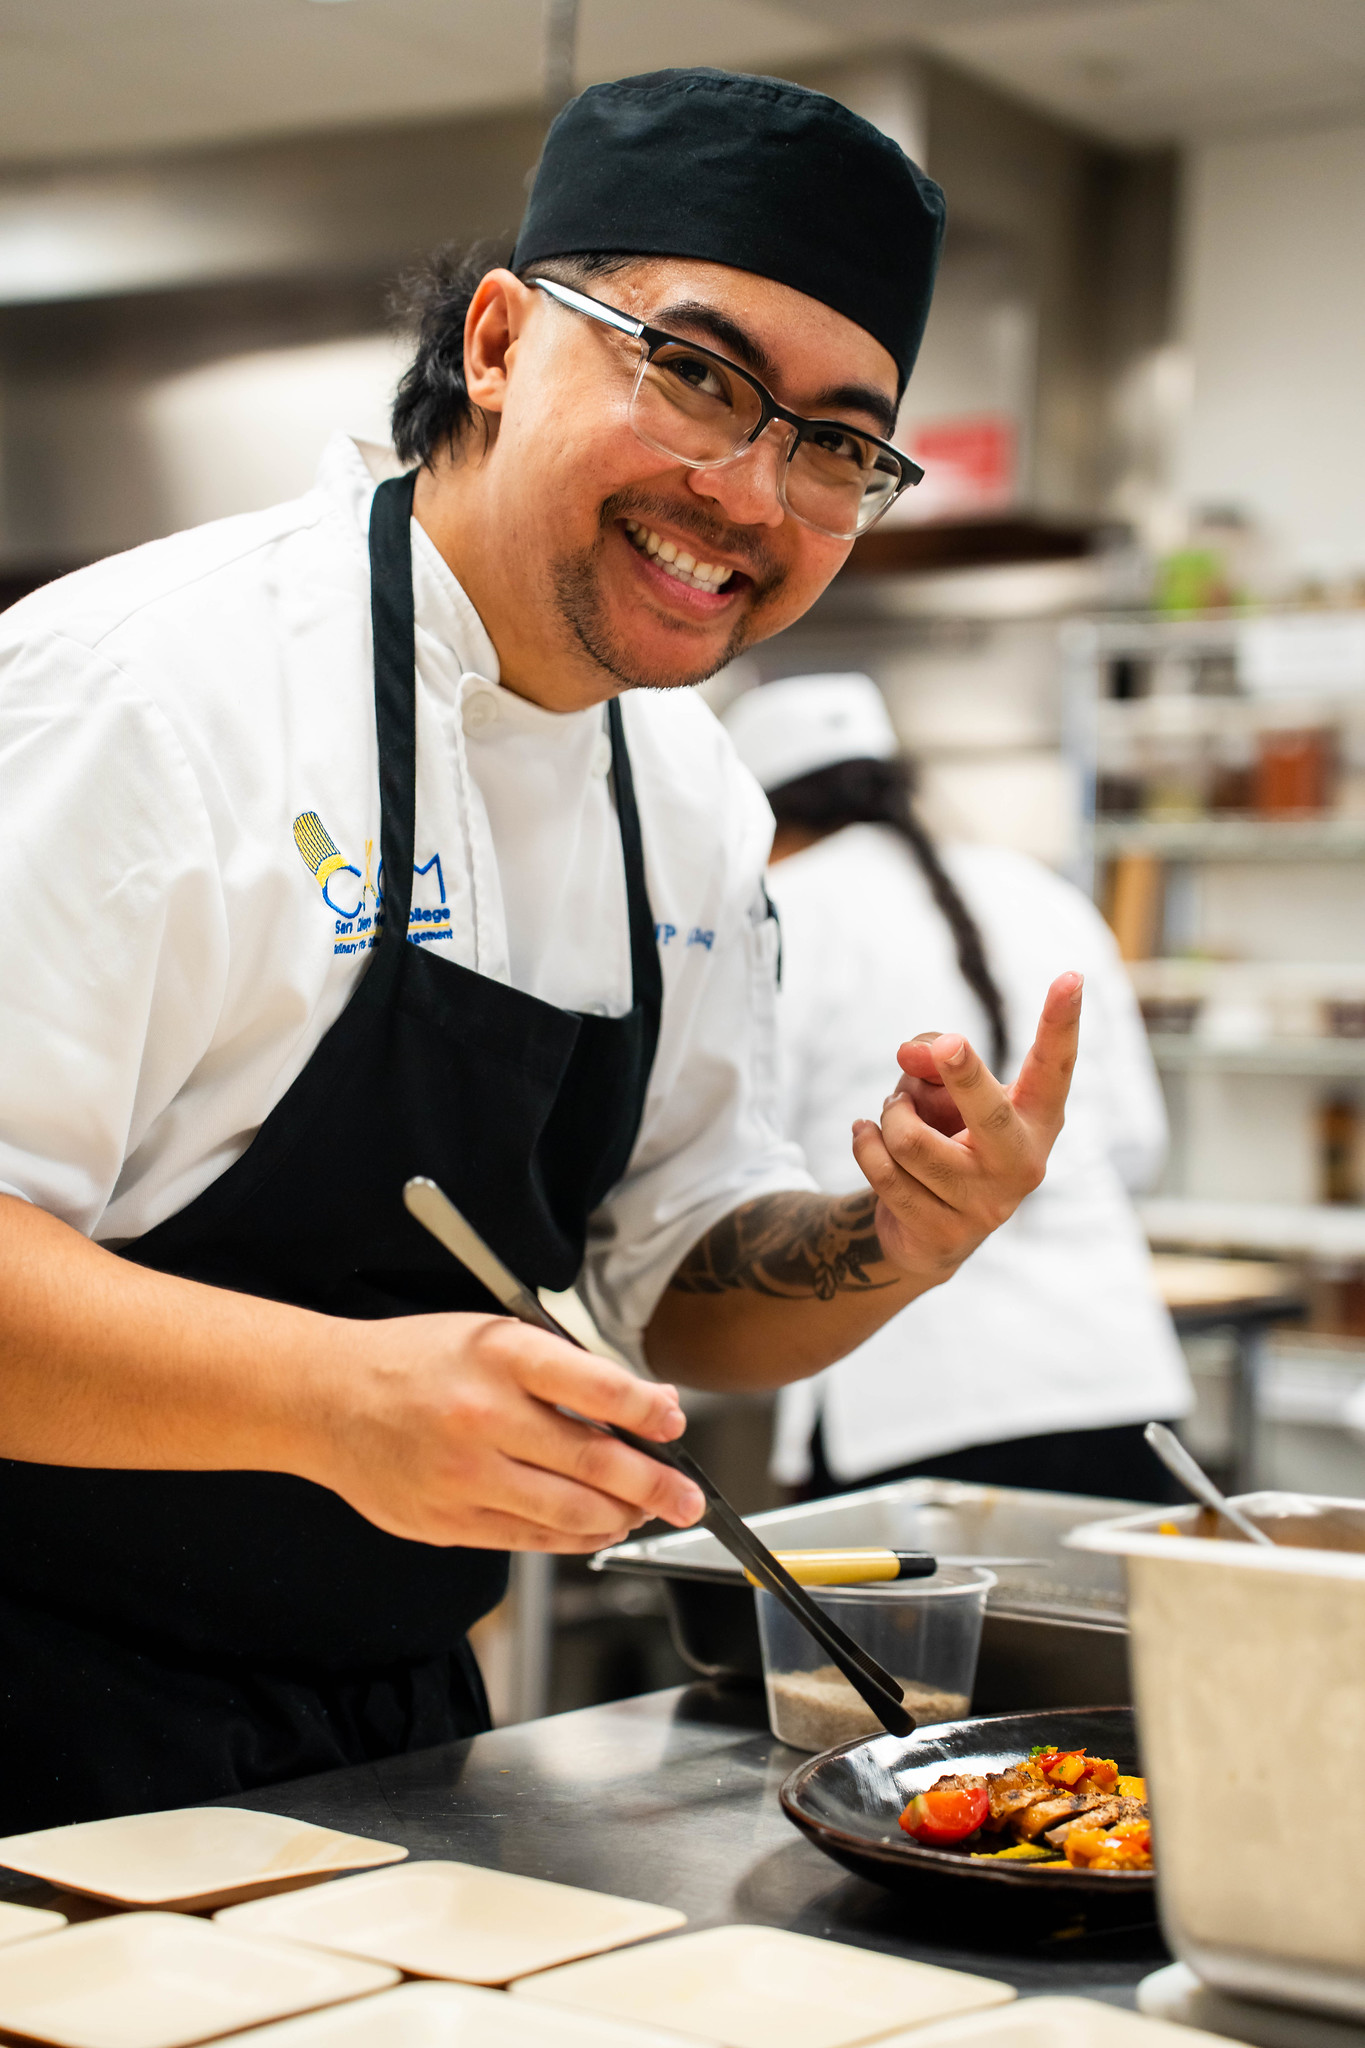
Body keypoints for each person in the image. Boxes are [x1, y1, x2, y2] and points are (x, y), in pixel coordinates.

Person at [0, 70, 1083, 1830]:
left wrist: (893, 1240)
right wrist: (339, 1398)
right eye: (698, 375)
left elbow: (681, 1282)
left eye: (835, 442)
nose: (754, 492)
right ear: (498, 342)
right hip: (38, 1715)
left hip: (404, 1736)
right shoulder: (152, 693)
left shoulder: (697, 801)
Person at [724, 673, 1192, 1502]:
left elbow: (731, 1167)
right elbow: (1134, 1144)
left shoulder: (777, 910)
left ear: (754, 814)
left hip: (912, 1407)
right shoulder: (1046, 895)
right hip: (1114, 1386)